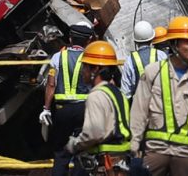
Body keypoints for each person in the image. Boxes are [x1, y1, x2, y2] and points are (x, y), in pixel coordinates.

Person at [130, 16, 188, 176]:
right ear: (174, 44)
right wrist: (133, 144)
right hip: (156, 149)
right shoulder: (153, 72)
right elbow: (139, 111)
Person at [66, 40, 130, 176]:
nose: (83, 71)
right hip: (122, 161)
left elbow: (93, 134)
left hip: (104, 163)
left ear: (95, 69)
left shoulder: (96, 95)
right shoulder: (118, 94)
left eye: (85, 67)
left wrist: (75, 143)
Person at [39, 22, 95, 176]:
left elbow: (51, 84)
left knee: (61, 152)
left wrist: (46, 109)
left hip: (62, 110)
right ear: (89, 40)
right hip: (85, 109)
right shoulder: (90, 58)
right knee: (82, 151)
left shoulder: (58, 57)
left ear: (70, 38)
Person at [121, 21, 168, 98]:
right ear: (152, 38)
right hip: (160, 104)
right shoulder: (161, 55)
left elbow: (126, 93)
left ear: (135, 42)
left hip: (140, 106)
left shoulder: (129, 61)